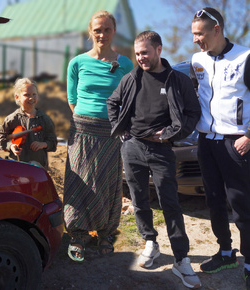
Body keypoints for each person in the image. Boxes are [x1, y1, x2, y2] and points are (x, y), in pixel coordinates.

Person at [107, 31, 202, 288]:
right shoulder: (130, 79)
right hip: (132, 148)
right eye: (138, 54)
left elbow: (193, 112)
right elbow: (112, 103)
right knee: (139, 200)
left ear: (159, 50)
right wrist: (120, 131)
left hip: (161, 151)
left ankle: (181, 259)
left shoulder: (177, 80)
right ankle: (150, 242)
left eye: (145, 53)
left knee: (170, 203)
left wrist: (172, 133)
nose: (141, 58)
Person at [63, 10, 133, 262]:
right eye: (97, 29)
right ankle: (78, 234)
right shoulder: (77, 63)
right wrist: (87, 118)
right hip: (82, 129)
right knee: (78, 180)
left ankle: (105, 233)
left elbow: (127, 99)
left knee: (108, 181)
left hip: (110, 132)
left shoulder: (125, 64)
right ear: (90, 32)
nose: (102, 34)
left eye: (107, 29)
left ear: (114, 32)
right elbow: (72, 99)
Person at [191, 7, 250, 289]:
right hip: (206, 142)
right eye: (193, 34)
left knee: (241, 205)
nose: (195, 40)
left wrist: (249, 135)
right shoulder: (197, 60)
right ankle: (225, 253)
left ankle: (249, 261)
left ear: (216, 30)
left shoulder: (245, 57)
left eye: (199, 34)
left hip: (235, 143)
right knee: (214, 200)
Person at [0, 77, 57, 168]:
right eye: (27, 95)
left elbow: (53, 141)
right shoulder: (12, 119)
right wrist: (10, 146)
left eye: (34, 94)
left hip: (39, 167)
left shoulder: (44, 119)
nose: (31, 98)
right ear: (17, 97)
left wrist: (43, 144)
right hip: (17, 166)